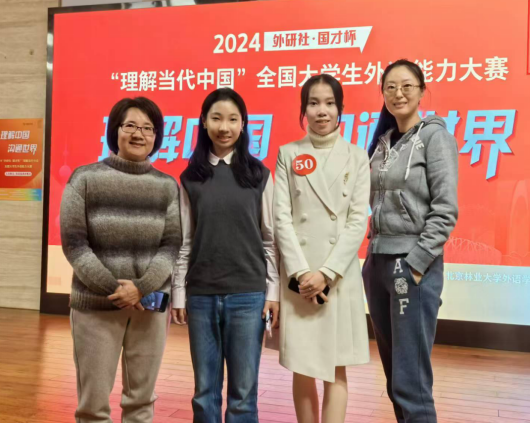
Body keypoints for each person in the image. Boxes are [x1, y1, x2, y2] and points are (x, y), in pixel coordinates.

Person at [60, 97, 181, 423]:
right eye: (130, 126)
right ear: (115, 130)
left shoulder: (167, 186)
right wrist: (116, 289)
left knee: (142, 403)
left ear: (157, 136)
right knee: (93, 407)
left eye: (148, 128)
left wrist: (140, 288)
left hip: (150, 307)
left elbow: (171, 245)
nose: (139, 134)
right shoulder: (84, 179)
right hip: (96, 307)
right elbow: (75, 245)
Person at [171, 88, 280, 423]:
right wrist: (179, 293)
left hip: (248, 295)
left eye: (233, 119)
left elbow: (270, 240)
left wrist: (273, 292)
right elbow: (185, 242)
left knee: (243, 396)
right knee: (204, 393)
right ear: (204, 122)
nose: (224, 127)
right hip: (201, 296)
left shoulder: (259, 175)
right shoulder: (190, 178)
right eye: (216, 118)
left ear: (243, 124)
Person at [363, 59, 459, 423]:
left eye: (406, 86)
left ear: (421, 90)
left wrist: (416, 264)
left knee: (410, 381)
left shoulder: (435, 137)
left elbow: (445, 209)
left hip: (411, 265)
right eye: (390, 87)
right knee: (394, 379)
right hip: (377, 263)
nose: (398, 93)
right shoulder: (382, 143)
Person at [274, 74, 370, 423]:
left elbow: (357, 221)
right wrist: (302, 274)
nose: (321, 111)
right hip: (300, 277)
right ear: (304, 109)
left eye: (330, 103)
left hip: (338, 276)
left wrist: (326, 273)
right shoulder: (288, 153)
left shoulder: (357, 156)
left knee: (336, 366)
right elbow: (281, 218)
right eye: (313, 103)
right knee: (302, 365)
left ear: (340, 109)